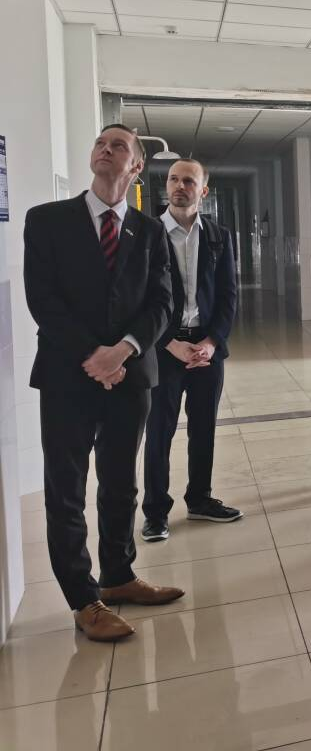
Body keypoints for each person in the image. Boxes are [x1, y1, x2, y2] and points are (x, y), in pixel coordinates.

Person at [24, 124, 183, 642]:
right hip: (68, 376)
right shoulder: (47, 220)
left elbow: (162, 302)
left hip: (130, 376)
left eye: (119, 147)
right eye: (101, 143)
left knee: (120, 482)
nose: (106, 150)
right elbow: (43, 300)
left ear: (136, 166)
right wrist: (93, 355)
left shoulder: (150, 231)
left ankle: (117, 575)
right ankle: (83, 597)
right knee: (66, 488)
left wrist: (125, 350)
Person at [141, 158, 241, 541]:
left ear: (203, 190)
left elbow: (228, 296)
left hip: (205, 348)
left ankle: (200, 499)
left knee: (204, 429)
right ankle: (155, 512)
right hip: (163, 348)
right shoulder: (147, 234)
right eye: (173, 179)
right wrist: (169, 343)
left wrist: (211, 342)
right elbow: (139, 299)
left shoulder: (218, 236)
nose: (179, 186)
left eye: (188, 181)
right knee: (159, 431)